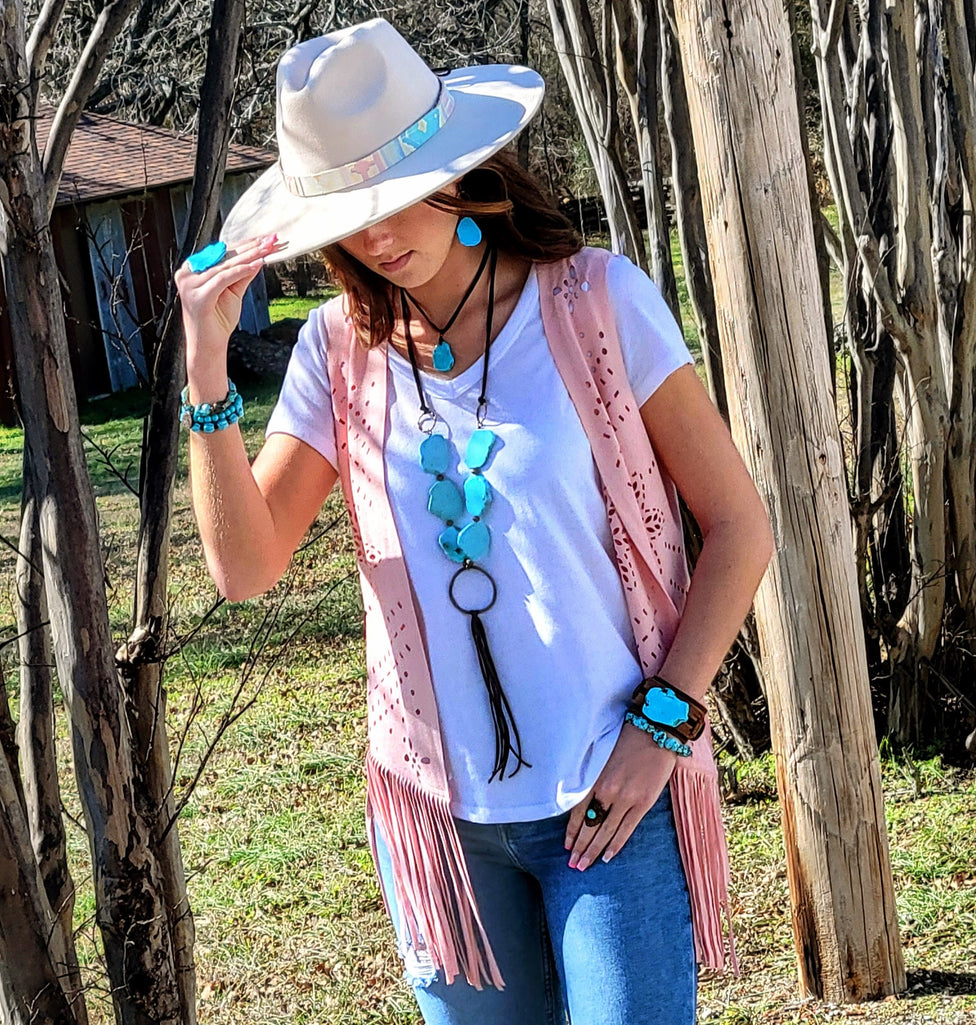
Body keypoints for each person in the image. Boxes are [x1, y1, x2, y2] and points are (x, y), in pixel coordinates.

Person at [177, 19, 774, 1025]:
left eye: (396, 197)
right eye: (348, 215)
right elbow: (244, 565)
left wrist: (662, 724)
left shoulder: (596, 303)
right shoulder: (339, 352)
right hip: (440, 820)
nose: (373, 235)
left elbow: (738, 524)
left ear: (465, 170)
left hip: (608, 798)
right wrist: (204, 371)